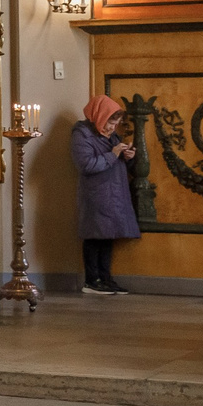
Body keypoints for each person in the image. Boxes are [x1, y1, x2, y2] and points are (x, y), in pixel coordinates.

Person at [72, 94, 141, 296]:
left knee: (108, 236)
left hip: (113, 193)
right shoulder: (81, 134)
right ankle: (92, 280)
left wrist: (128, 157)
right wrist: (113, 154)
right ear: (99, 115)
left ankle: (106, 278)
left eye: (116, 123)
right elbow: (86, 165)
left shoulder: (112, 137)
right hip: (96, 194)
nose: (113, 127)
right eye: (111, 121)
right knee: (94, 236)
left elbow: (116, 160)